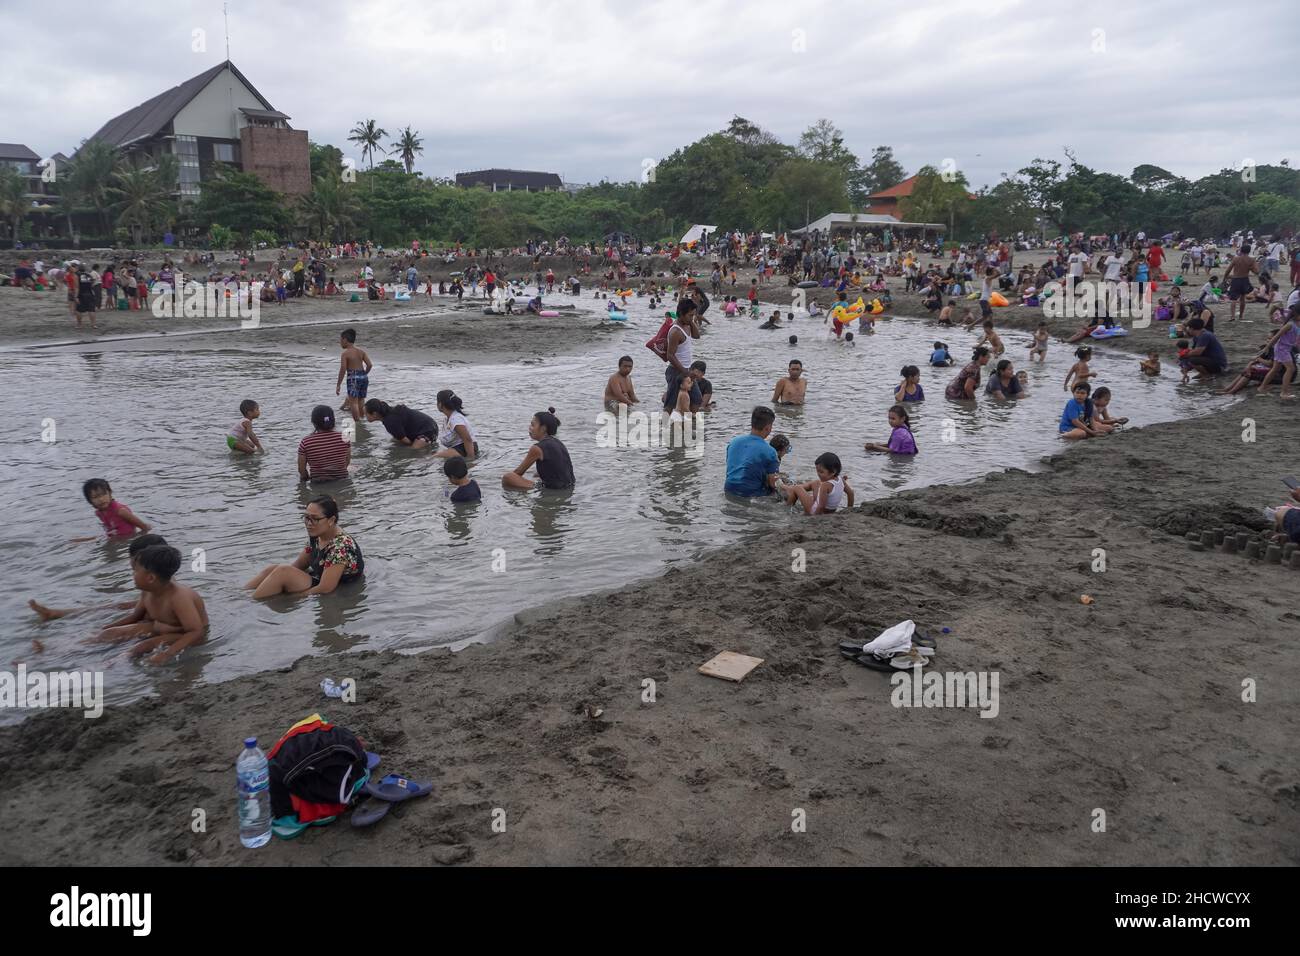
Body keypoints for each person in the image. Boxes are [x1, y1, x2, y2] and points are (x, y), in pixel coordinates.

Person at [87, 544, 208, 664]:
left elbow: (195, 632)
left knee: (141, 647)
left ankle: (108, 666)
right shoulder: (147, 592)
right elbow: (135, 617)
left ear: (150, 578)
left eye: (135, 571)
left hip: (182, 635)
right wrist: (104, 629)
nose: (133, 575)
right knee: (109, 634)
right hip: (158, 629)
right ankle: (72, 648)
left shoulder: (179, 598)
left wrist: (167, 654)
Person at [30, 533, 169, 621]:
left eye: (133, 559)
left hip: (157, 628)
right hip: (151, 618)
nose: (130, 563)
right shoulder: (152, 583)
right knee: (119, 606)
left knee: (112, 633)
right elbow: (136, 613)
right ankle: (59, 613)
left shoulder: (169, 590)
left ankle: (56, 651)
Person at [246, 496, 364, 598]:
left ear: (331, 520)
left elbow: (325, 588)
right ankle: (241, 595)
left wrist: (287, 598)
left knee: (282, 571)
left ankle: (250, 603)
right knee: (273, 569)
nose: (308, 523)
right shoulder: (317, 536)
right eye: (306, 517)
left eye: (315, 519)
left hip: (335, 587)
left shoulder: (341, 546)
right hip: (317, 578)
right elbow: (297, 567)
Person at [502, 408, 575, 490]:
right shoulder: (558, 443)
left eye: (533, 425)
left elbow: (518, 472)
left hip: (552, 488)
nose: (530, 428)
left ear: (543, 428)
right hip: (569, 485)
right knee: (536, 474)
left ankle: (538, 488)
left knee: (508, 477)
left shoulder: (537, 448)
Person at [724, 405, 781, 497]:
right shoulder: (770, 451)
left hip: (729, 489)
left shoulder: (733, 442)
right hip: (751, 494)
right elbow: (773, 483)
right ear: (768, 427)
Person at [777, 452, 854, 515]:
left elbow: (820, 506)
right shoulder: (841, 479)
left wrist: (810, 517)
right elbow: (851, 493)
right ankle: (788, 488)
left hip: (815, 511)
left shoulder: (825, 485)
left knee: (797, 488)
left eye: (821, 472)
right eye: (817, 471)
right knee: (816, 483)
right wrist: (849, 510)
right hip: (831, 511)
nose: (818, 474)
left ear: (833, 472)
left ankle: (787, 509)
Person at [663, 300, 702, 412]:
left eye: (693, 315)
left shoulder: (687, 325)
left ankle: (689, 426)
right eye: (690, 315)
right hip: (676, 371)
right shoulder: (675, 331)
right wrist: (685, 372)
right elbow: (670, 355)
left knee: (696, 399)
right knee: (670, 404)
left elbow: (697, 335)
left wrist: (690, 321)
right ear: (681, 313)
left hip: (686, 370)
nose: (692, 317)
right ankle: (665, 427)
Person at [81, 478, 150, 540]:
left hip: (127, 539)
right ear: (89, 501)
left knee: (89, 541)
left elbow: (144, 527)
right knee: (80, 541)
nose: (101, 499)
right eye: (95, 497)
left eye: (103, 494)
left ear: (110, 493)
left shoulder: (120, 511)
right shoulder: (99, 513)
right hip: (114, 537)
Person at [298, 405, 351, 482]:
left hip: (318, 482)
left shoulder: (306, 442)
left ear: (314, 423)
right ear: (333, 421)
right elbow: (347, 461)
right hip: (342, 479)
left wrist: (305, 478)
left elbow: (301, 469)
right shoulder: (344, 438)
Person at [1256, 308, 1299, 399]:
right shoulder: (1290, 324)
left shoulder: (1297, 324)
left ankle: (1262, 387)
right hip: (1282, 349)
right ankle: (1284, 393)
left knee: (1275, 368)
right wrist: (1267, 347)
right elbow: (1276, 336)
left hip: (1285, 348)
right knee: (1290, 369)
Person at [364, 399, 440, 447]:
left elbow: (407, 442)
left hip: (428, 431)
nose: (364, 416)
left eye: (366, 414)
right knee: (394, 442)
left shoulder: (390, 422)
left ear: (374, 414)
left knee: (412, 452)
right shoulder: (390, 413)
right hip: (431, 425)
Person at [336, 329, 373, 421]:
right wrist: (364, 374)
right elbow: (370, 365)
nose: (340, 342)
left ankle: (357, 423)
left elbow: (343, 369)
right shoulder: (361, 351)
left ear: (345, 340)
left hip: (353, 377)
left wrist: (338, 384)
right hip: (363, 377)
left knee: (353, 403)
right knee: (361, 400)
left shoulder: (345, 354)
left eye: (340, 340)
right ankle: (362, 418)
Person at [434, 390, 477, 458]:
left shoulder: (456, 419)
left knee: (434, 458)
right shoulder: (447, 419)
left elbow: (467, 439)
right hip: (458, 448)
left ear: (440, 404)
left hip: (466, 449)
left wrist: (471, 459)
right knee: (433, 457)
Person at [1224, 242, 1259, 322]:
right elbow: (1256, 272)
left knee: (1233, 299)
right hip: (1245, 279)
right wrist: (1250, 267)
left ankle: (1232, 316)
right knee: (1242, 298)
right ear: (1249, 251)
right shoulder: (1251, 260)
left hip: (1236, 279)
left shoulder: (1236, 259)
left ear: (1241, 250)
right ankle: (1241, 316)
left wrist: (1225, 277)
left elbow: (1228, 269)